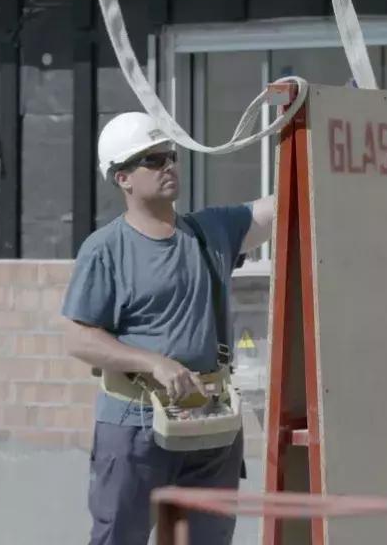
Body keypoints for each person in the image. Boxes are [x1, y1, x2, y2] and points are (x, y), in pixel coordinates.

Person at [61, 111, 275, 545]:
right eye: (153, 160)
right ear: (123, 178)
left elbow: (280, 205)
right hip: (135, 426)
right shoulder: (105, 250)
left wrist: (312, 132)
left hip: (210, 425)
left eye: (171, 156)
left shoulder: (210, 231)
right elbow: (78, 336)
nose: (169, 166)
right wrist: (151, 362)